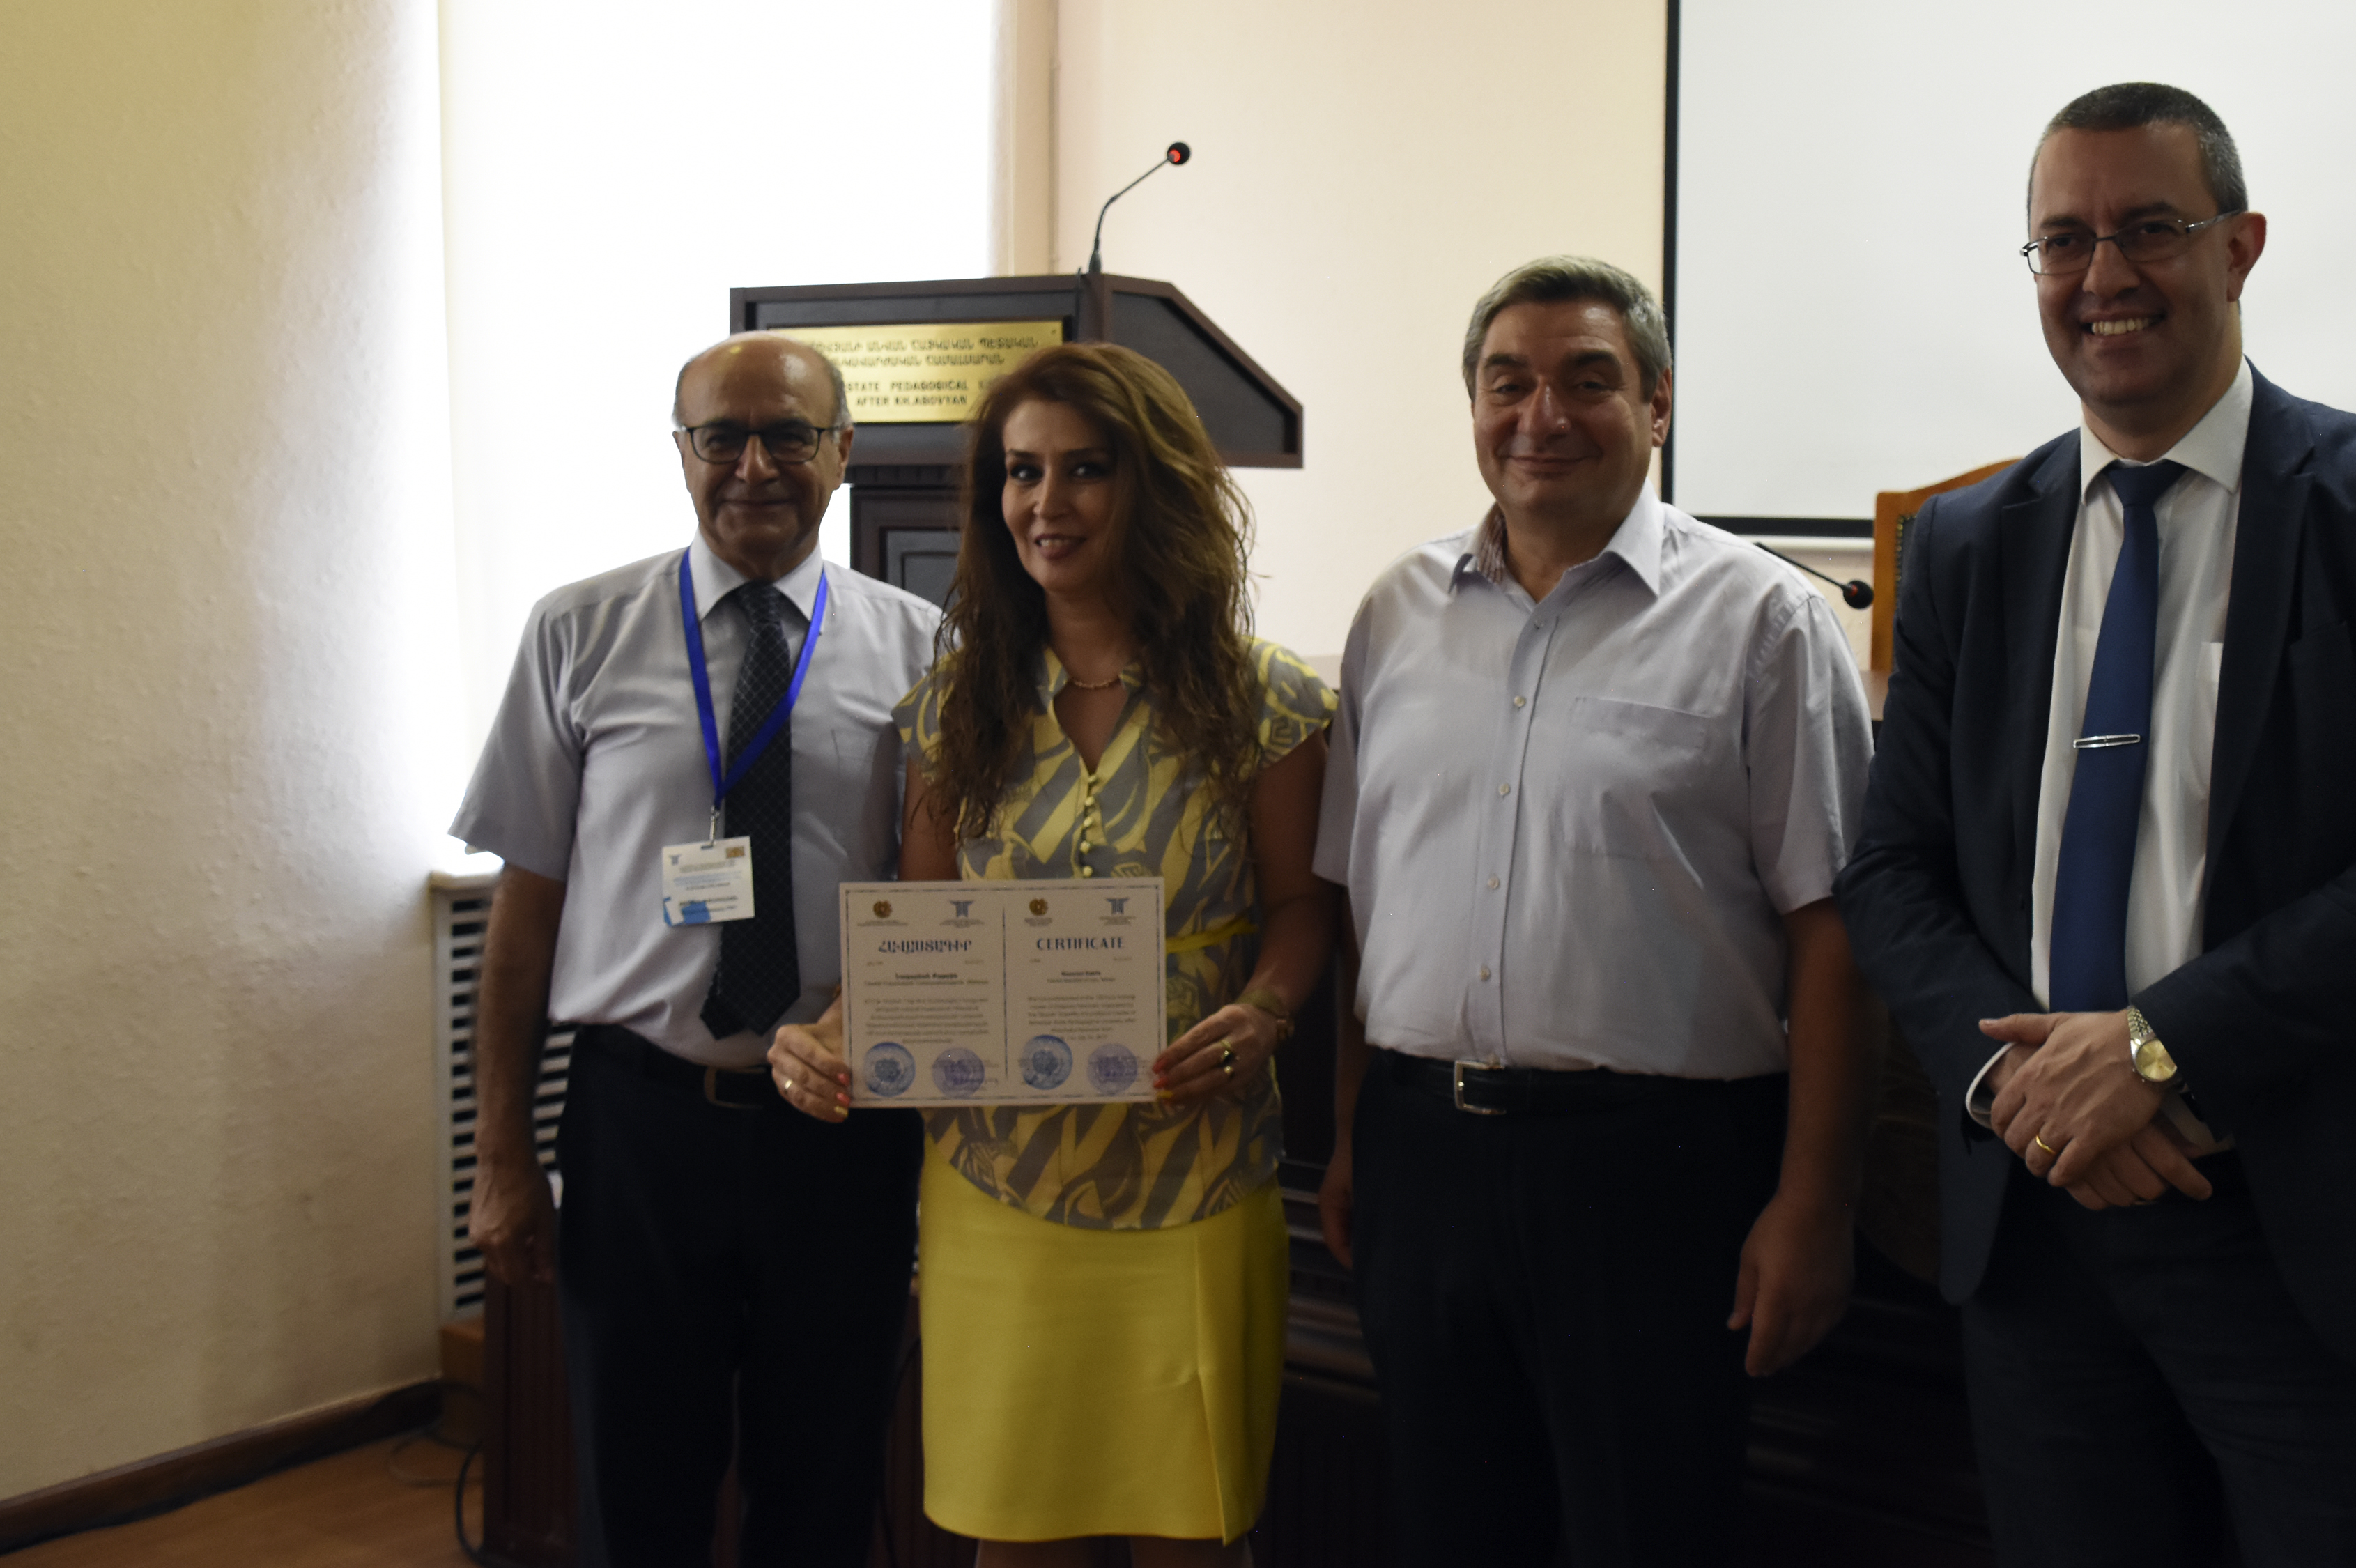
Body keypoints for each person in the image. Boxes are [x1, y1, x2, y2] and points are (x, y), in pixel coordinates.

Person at [1834, 83, 2356, 1566]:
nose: (2102, 275)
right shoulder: (1964, 543)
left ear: (2239, 246)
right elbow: (1893, 870)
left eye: (2147, 228)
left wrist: (2152, 1050)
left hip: (2309, 1223)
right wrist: (2028, 1091)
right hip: (2037, 1224)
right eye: (2062, 240)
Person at [1311, 256, 1876, 1567]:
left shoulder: (1766, 622)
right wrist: (1350, 1135)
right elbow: (1359, 902)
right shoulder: (1396, 614)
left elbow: (1836, 935)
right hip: (1422, 1160)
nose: (1541, 415)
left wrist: (1815, 1201)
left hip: (1657, 1181)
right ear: (1473, 404)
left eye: (1587, 380)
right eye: (1507, 382)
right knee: (1451, 1534)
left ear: (1659, 403)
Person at [769, 341, 1334, 1568]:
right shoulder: (953, 706)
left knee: (1193, 1535)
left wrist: (1266, 1010)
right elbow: (923, 930)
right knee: (1016, 1539)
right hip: (997, 1180)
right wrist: (825, 1035)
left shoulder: (1267, 700)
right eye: (1022, 471)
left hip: (1194, 1173)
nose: (1047, 501)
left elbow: (1302, 908)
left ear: (1154, 485)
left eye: (1087, 468)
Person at [454, 332, 941, 1567]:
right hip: (639, 1128)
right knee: (636, 1492)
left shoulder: (922, 647)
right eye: (722, 436)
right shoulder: (580, 632)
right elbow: (524, 915)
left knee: (822, 1487)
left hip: (839, 1131)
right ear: (681, 452)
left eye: (789, 435)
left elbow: (936, 894)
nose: (753, 466)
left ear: (844, 450)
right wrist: (501, 1154)